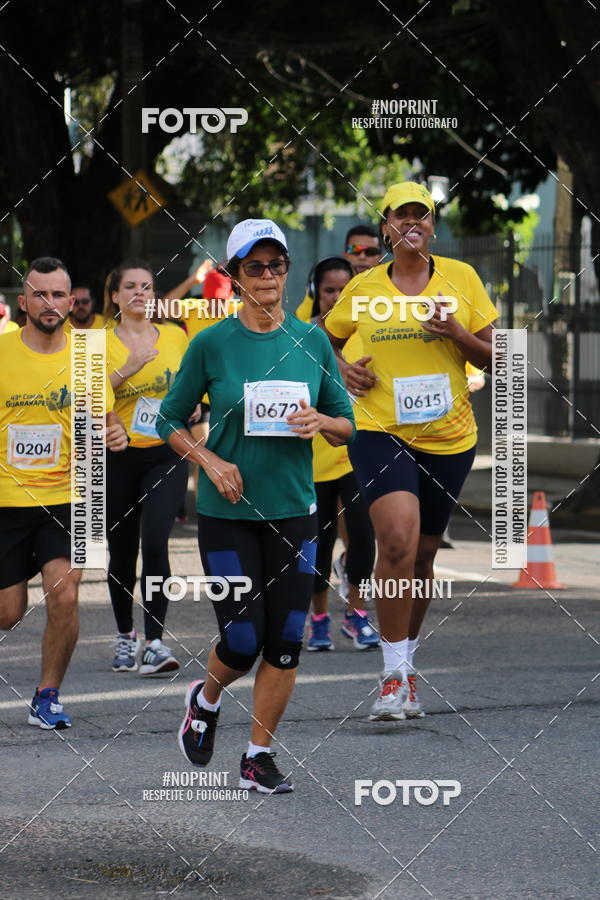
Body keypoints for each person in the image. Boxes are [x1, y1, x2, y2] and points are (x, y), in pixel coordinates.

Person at [157, 219, 354, 793]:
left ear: (288, 271)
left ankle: (257, 757)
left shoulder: (311, 341)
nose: (267, 276)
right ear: (235, 276)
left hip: (296, 511)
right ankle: (207, 695)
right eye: (254, 267)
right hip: (227, 517)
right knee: (243, 641)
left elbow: (348, 425)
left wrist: (323, 421)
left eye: (276, 265)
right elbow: (169, 419)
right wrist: (211, 462)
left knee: (287, 642)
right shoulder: (211, 343)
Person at [325, 181, 498, 721]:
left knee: (422, 555)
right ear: (386, 227)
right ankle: (391, 679)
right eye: (401, 216)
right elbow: (324, 338)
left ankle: (408, 661)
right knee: (395, 540)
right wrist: (342, 369)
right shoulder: (364, 286)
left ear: (432, 225)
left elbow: (498, 358)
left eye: (421, 215)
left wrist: (456, 333)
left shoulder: (461, 279)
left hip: (449, 436)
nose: (411, 223)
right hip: (381, 430)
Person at [0, 257, 128, 729]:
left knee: (66, 594)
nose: (50, 303)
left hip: (73, 496)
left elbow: (106, 418)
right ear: (23, 302)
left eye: (59, 295)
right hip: (7, 501)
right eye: (41, 294)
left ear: (72, 302)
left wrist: (115, 433)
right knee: (7, 614)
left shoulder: (91, 354)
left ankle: (47, 695)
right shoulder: (2, 353)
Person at [103, 258, 190, 676]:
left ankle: (154, 641)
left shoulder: (175, 337)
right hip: (117, 456)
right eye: (131, 286)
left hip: (166, 452)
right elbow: (83, 397)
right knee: (122, 552)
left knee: (156, 541)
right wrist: (127, 369)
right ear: (115, 295)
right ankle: (125, 636)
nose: (141, 293)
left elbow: (196, 386)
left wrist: (202, 419)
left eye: (148, 287)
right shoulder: (97, 341)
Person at [303, 257, 377, 652]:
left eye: (343, 290)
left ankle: (356, 613)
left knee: (364, 538)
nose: (336, 298)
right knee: (319, 542)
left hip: (359, 452)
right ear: (316, 293)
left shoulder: (368, 332)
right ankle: (318, 619)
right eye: (329, 290)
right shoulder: (302, 336)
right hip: (313, 457)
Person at [295, 224, 382, 322]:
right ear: (344, 254)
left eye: (370, 251)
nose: (362, 257)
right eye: (355, 250)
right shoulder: (322, 286)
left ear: (380, 257)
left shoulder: (391, 287)